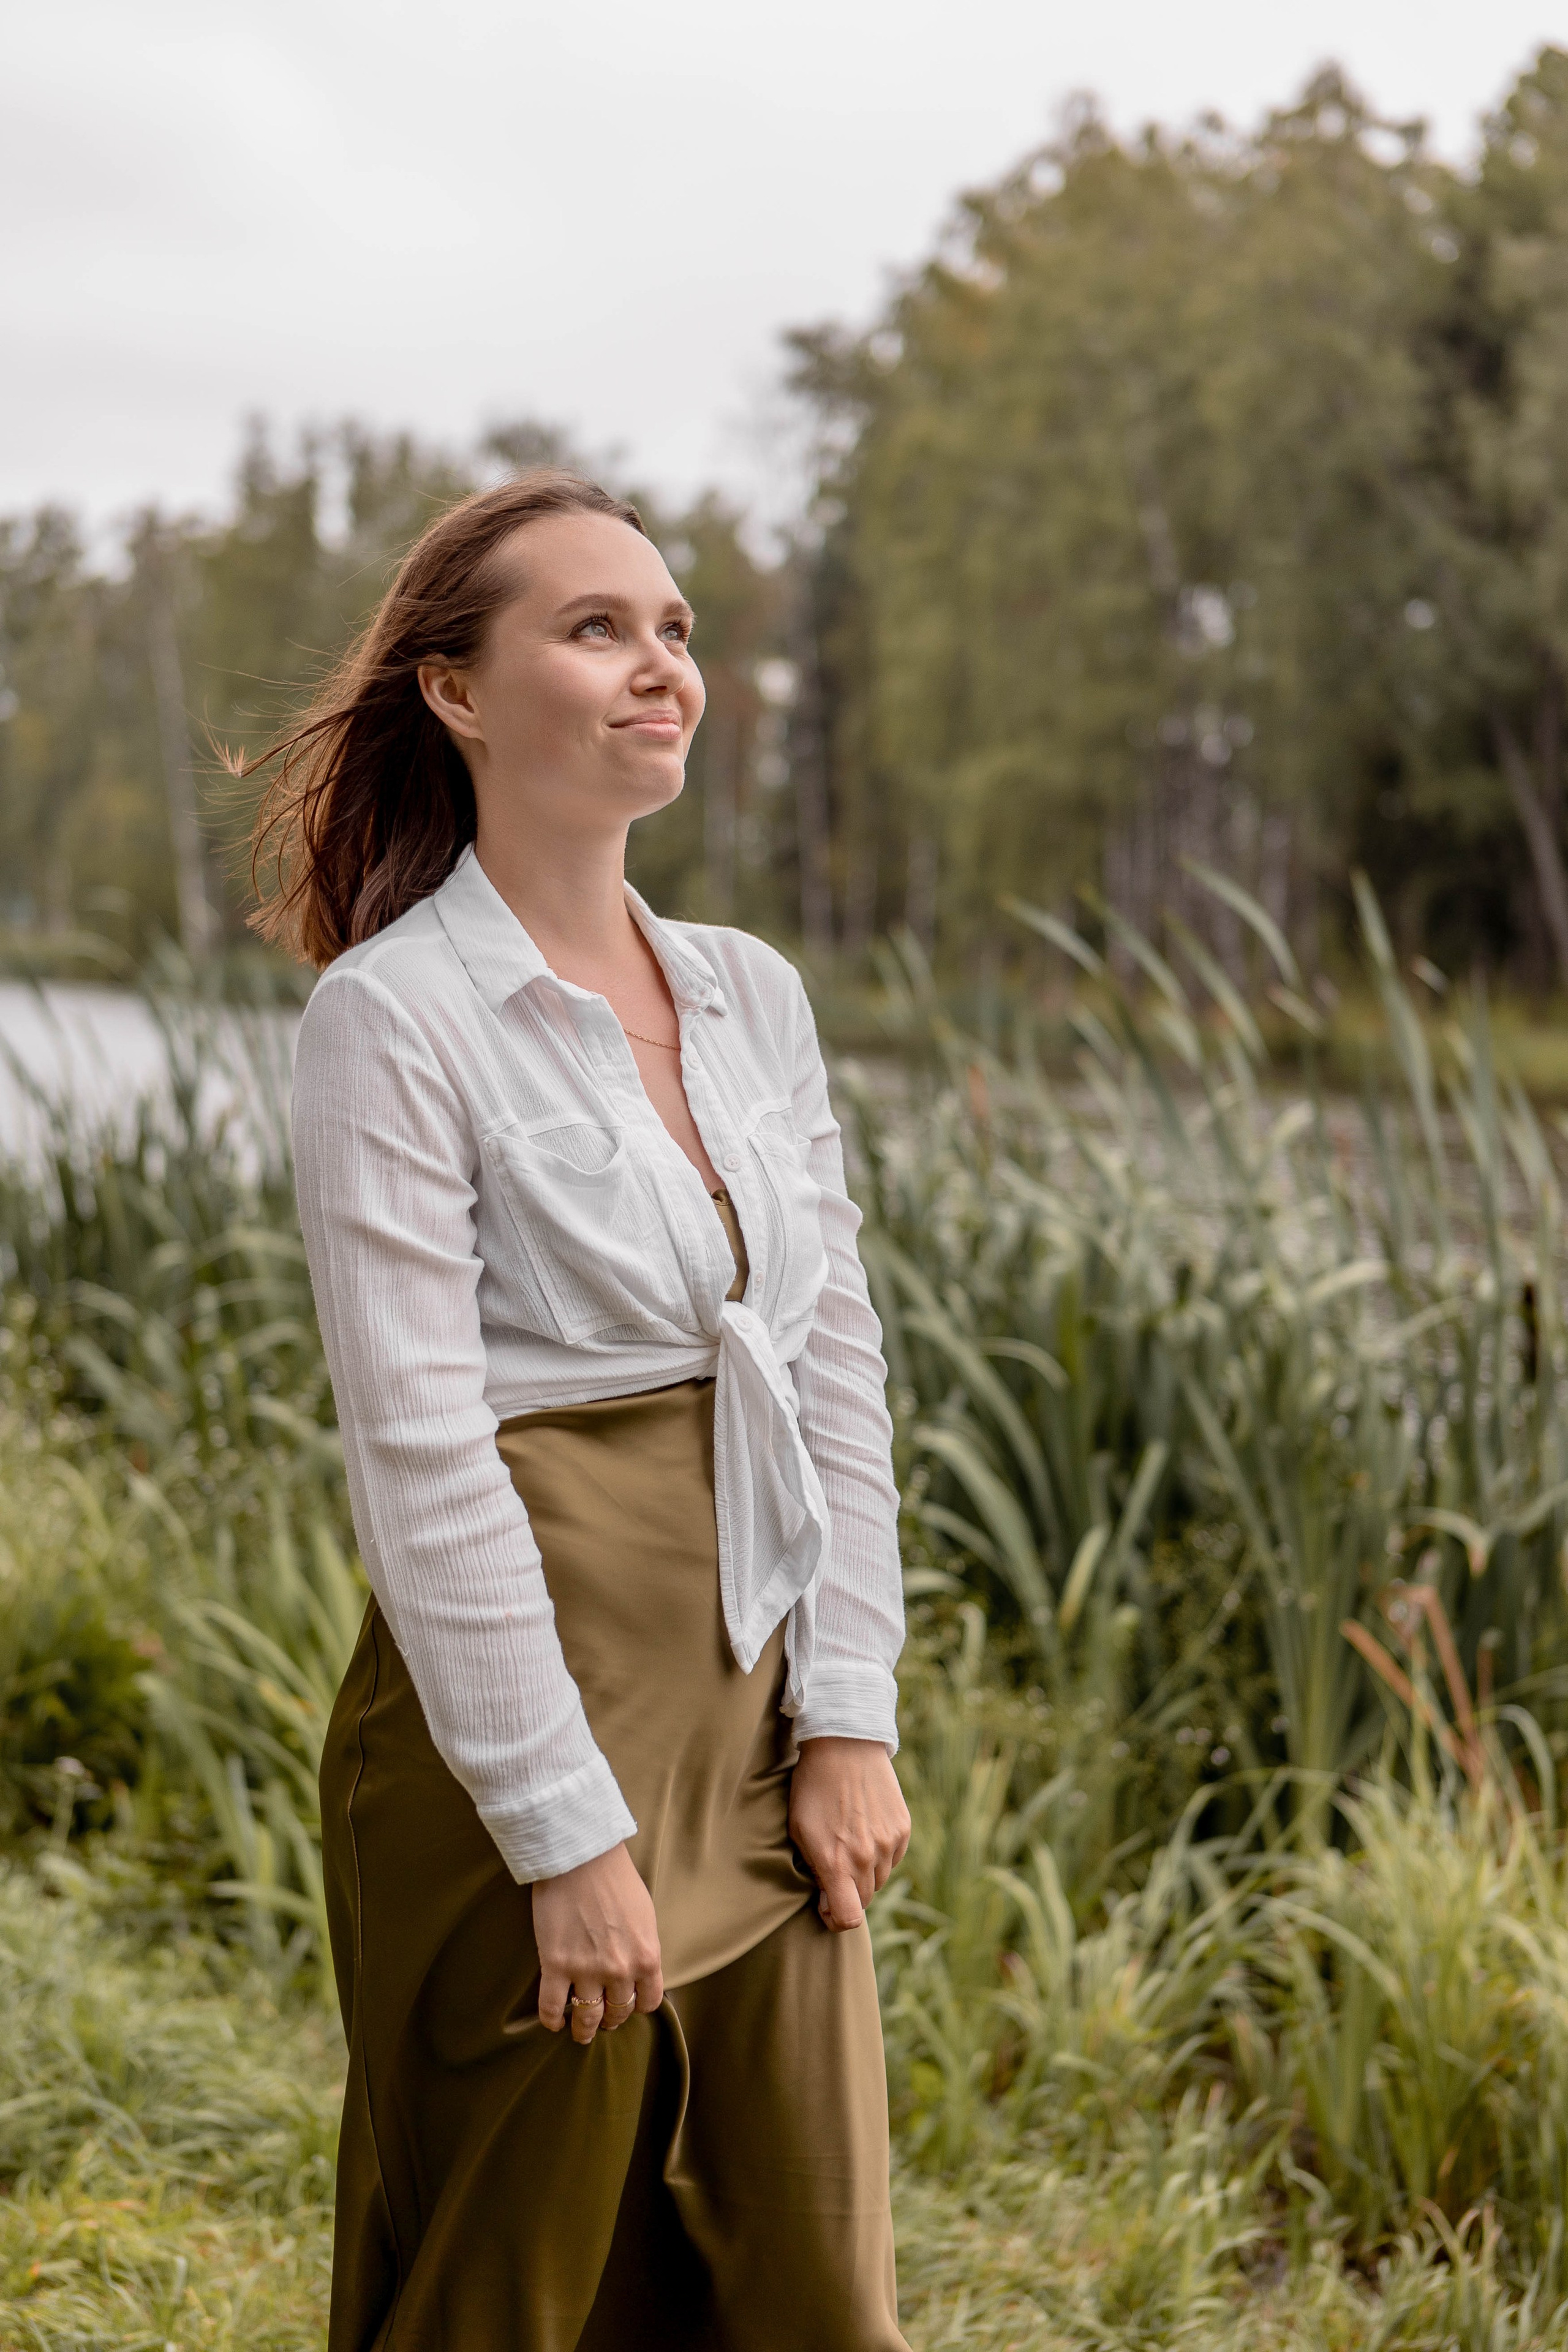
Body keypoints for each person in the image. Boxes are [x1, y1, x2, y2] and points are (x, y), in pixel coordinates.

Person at [247, 470, 913, 2350]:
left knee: (809, 2290)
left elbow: (837, 1358)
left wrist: (848, 1713)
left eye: (678, 631)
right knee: (514, 2295)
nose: (662, 670)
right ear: (457, 691)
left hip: (763, 1718)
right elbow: (425, 1461)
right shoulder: (393, 1020)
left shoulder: (751, 996)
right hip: (527, 1741)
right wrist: (560, 1832)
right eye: (598, 628)